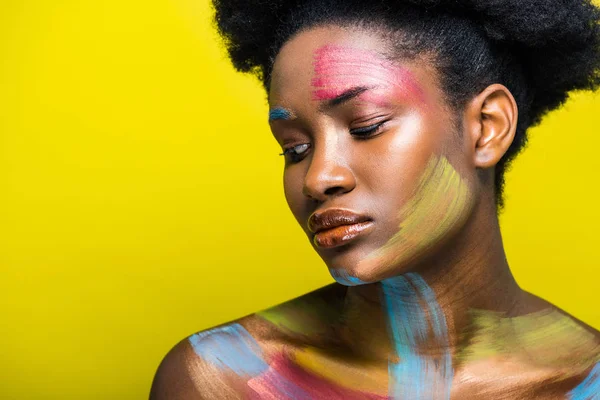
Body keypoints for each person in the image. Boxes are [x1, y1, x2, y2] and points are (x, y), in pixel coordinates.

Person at [150, 0, 600, 398]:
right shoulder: (224, 380)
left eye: (366, 127)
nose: (319, 178)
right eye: (295, 150)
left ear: (487, 126)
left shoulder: (586, 381)